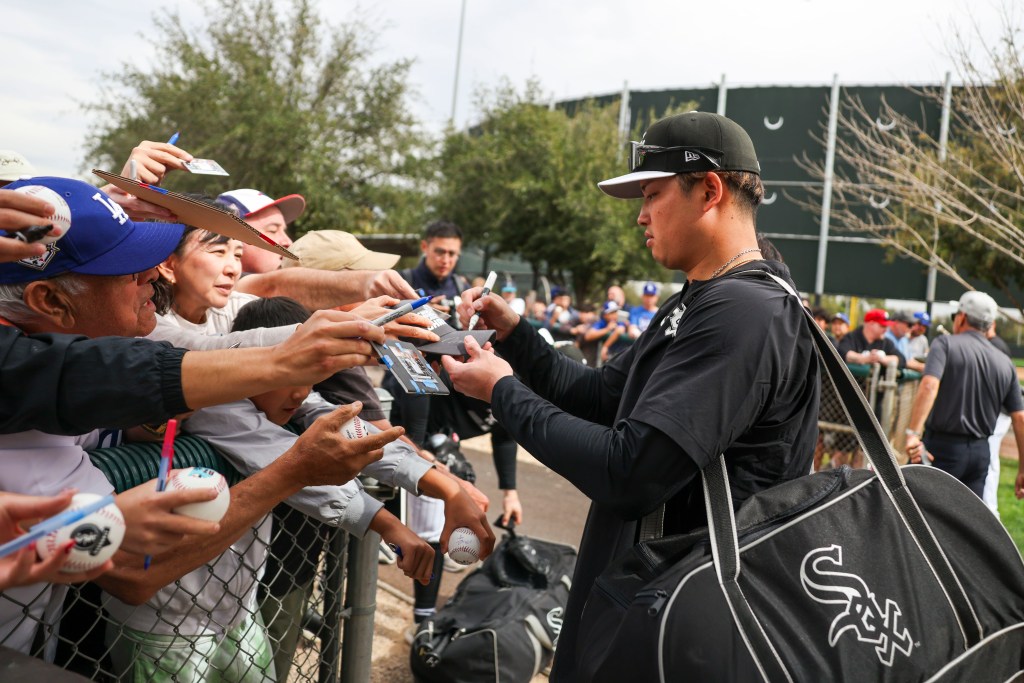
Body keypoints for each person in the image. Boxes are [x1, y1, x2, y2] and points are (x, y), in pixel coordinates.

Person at [445, 111, 820, 681]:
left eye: (652, 194)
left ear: (710, 190)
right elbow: (599, 395)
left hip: (688, 626)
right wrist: (515, 335)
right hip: (650, 603)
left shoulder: (746, 311)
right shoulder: (704, 294)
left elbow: (630, 472)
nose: (640, 216)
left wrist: (502, 391)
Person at [905, 291, 1024, 500]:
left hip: (942, 449)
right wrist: (1022, 469)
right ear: (989, 324)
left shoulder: (945, 344)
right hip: (980, 454)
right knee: (964, 524)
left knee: (919, 518)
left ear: (962, 317)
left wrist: (912, 433)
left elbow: (929, 386)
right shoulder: (1005, 361)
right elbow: (1020, 418)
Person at [215, 188, 416, 307]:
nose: (287, 241)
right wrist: (366, 283)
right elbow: (275, 285)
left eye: (284, 230)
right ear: (233, 236)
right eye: (273, 230)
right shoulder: (218, 289)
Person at [836, 308, 906, 368]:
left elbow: (902, 359)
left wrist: (882, 358)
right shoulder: (852, 337)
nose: (886, 329)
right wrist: (865, 358)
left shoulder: (886, 342)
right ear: (871, 324)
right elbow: (843, 352)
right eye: (883, 326)